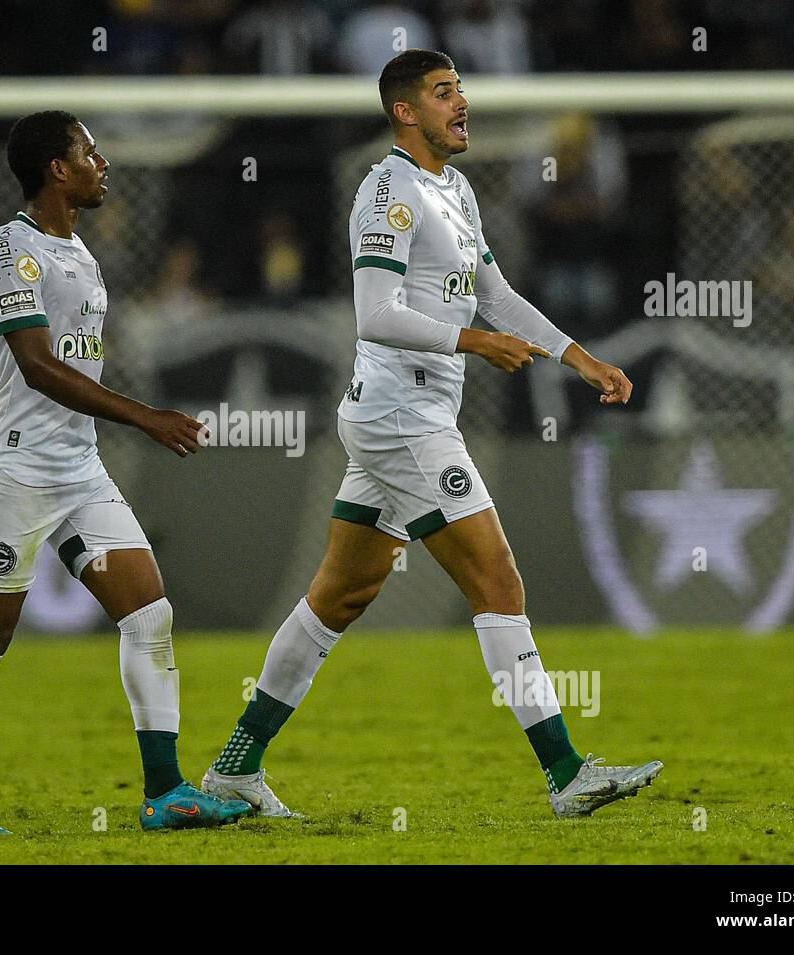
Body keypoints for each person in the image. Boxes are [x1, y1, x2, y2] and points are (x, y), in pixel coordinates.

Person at [203, 51, 663, 818]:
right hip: (401, 417)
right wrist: (474, 343)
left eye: (463, 90)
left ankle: (234, 767)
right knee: (498, 580)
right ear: (405, 111)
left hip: (405, 416)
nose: (463, 104)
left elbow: (497, 294)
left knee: (339, 593)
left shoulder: (457, 191)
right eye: (445, 93)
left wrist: (575, 355)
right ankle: (566, 774)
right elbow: (374, 313)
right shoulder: (387, 190)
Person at [0, 111, 251, 836]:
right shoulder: (12, 248)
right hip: (13, 469)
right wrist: (144, 415)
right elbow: (38, 367)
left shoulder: (83, 254)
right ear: (55, 170)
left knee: (149, 612)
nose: (104, 163)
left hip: (77, 467)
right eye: (90, 152)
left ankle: (166, 791)